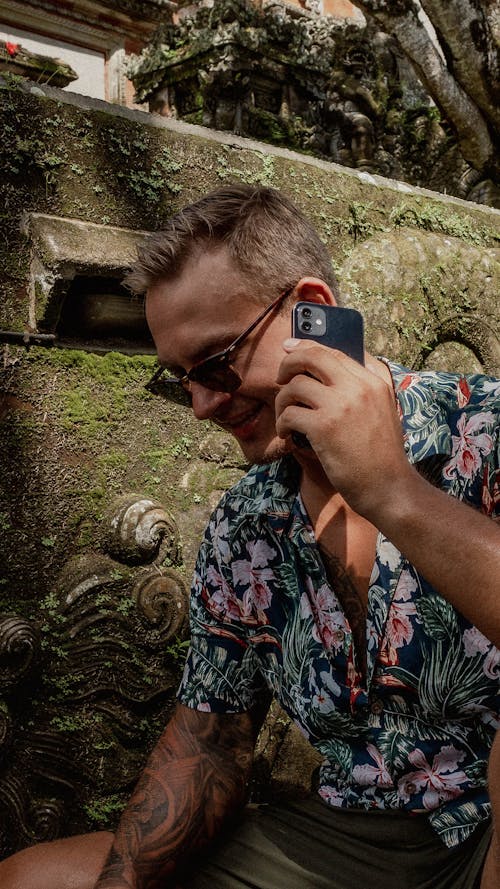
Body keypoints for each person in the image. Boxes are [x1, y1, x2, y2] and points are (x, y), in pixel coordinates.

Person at [1, 184, 499, 889]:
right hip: (348, 837)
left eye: (216, 362)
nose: (203, 405)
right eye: (180, 381)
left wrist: (392, 491)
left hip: (486, 828)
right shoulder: (248, 519)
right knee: (33, 878)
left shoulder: (487, 432)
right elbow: (211, 745)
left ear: (314, 312)